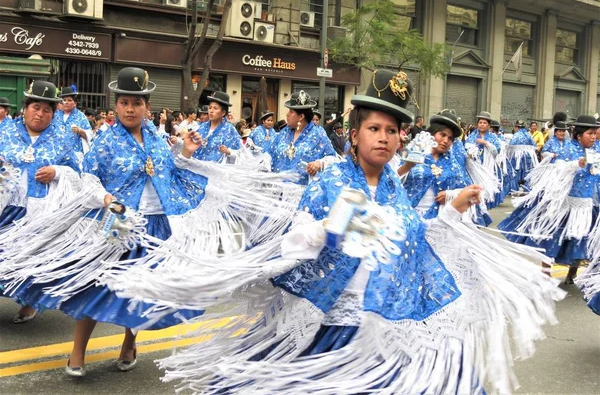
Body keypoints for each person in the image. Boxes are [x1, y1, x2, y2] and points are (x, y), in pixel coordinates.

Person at [110, 69, 562, 394]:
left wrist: (450, 214)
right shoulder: (331, 182)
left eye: (392, 130)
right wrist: (328, 227)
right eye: (374, 128)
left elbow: (406, 240)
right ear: (354, 134)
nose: (384, 138)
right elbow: (295, 243)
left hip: (385, 319)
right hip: (338, 324)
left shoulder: (393, 184)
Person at [0, 68, 207, 376]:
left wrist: (187, 155)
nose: (130, 109)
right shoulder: (105, 140)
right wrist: (108, 200)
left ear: (147, 107)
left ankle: (128, 344)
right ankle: (77, 352)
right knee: (95, 285)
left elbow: (171, 176)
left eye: (136, 103)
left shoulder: (158, 140)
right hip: (116, 221)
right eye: (124, 102)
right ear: (116, 105)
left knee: (141, 290)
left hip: (153, 226)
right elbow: (88, 178)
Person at [0, 81, 80, 323]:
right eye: (36, 107)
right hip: (6, 206)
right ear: (25, 108)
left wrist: (57, 172)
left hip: (39, 210)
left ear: (53, 114)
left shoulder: (63, 140)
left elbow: (77, 173)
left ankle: (30, 301)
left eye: (47, 110)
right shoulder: (5, 132)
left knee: (31, 258)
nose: (40, 114)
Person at [499, 115, 600, 284]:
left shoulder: (595, 151)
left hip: (585, 203)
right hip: (563, 203)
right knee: (552, 237)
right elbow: (556, 171)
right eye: (590, 133)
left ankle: (571, 273)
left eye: (594, 133)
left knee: (579, 239)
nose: (593, 136)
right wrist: (576, 165)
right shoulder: (568, 149)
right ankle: (545, 273)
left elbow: (596, 175)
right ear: (579, 135)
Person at [400, 111, 492, 226]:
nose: (446, 141)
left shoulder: (453, 164)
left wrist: (449, 195)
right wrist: (407, 166)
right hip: (409, 217)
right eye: (442, 135)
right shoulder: (415, 151)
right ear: (432, 134)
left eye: (450, 138)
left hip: (438, 221)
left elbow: (465, 189)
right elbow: (393, 179)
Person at [267, 90, 336, 184]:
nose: (287, 115)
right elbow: (269, 155)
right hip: (278, 191)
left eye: (291, 112)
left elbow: (332, 158)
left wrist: (318, 164)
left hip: (303, 192)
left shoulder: (318, 134)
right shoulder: (283, 132)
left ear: (301, 117)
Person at [192, 91, 242, 162]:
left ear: (223, 112)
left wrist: (228, 152)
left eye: (215, 108)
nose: (211, 111)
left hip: (217, 170)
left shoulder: (230, 130)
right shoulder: (201, 127)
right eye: (210, 108)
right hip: (198, 166)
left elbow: (239, 153)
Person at [54, 87, 92, 163]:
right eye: (64, 100)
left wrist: (80, 131)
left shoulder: (81, 116)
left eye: (69, 100)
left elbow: (90, 135)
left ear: (75, 103)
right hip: (56, 153)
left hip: (75, 154)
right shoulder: (55, 115)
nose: (66, 102)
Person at [505, 120, 538, 193]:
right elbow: (535, 146)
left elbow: (510, 146)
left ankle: (514, 188)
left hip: (517, 157)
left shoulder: (516, 135)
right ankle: (527, 187)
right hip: (528, 156)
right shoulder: (528, 135)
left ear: (516, 127)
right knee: (528, 172)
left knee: (515, 172)